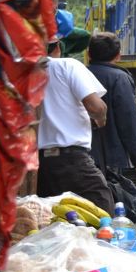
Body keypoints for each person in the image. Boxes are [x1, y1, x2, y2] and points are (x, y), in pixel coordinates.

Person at [37, 41, 114, 212]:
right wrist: (100, 120)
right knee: (102, 211)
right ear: (57, 47)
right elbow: (96, 107)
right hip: (71, 159)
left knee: (51, 219)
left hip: (38, 163)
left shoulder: (22, 71)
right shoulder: (67, 65)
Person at [86, 32, 136, 175]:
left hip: (81, 153)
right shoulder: (119, 78)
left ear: (89, 54)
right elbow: (128, 118)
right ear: (118, 55)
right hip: (110, 156)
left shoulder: (78, 74)